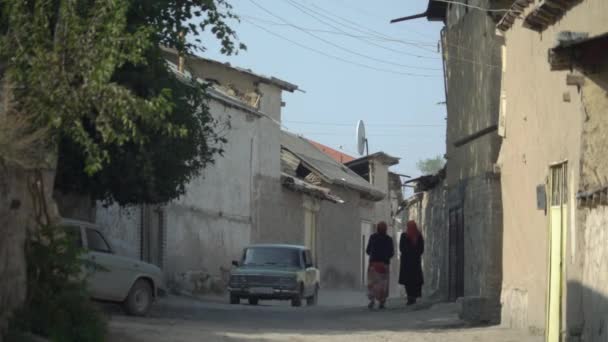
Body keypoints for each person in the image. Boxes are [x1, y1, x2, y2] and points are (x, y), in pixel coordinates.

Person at [365, 221, 394, 310]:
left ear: (377, 228)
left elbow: (368, 250)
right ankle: (382, 301)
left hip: (373, 264)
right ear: (386, 229)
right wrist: (385, 257)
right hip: (384, 265)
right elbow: (391, 252)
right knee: (383, 284)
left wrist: (374, 254)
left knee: (372, 283)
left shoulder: (373, 237)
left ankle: (372, 300)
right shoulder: (389, 239)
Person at [398, 220, 424, 305]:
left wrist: (408, 253)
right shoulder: (419, 236)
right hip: (415, 262)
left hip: (406, 262)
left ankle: (410, 297)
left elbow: (401, 248)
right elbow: (421, 249)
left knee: (408, 280)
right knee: (414, 280)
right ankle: (413, 297)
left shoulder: (404, 236)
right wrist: (415, 254)